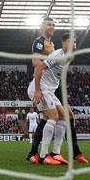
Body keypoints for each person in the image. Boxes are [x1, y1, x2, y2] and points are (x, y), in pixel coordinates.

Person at [28, 33, 74, 165]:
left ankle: (56, 153)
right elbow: (38, 68)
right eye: (71, 42)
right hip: (41, 89)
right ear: (64, 43)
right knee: (53, 116)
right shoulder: (57, 56)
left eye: (75, 42)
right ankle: (43, 156)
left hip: (50, 90)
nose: (74, 45)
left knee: (64, 116)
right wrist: (37, 90)